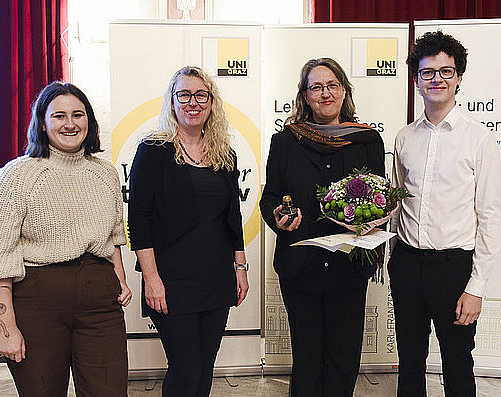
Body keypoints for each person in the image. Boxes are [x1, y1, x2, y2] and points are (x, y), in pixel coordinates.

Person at [0, 81, 132, 397]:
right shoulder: (16, 176)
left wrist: (120, 279)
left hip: (100, 305)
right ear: (42, 124)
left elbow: (113, 238)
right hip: (36, 306)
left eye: (78, 114)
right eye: (59, 116)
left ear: (89, 120)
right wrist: (7, 330)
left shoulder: (105, 173)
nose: (70, 123)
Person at [260, 58, 385, 396]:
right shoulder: (286, 141)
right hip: (301, 268)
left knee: (344, 360)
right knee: (307, 358)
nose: (325, 93)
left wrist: (374, 217)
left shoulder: (367, 141)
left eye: (332, 85)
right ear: (305, 95)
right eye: (316, 87)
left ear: (344, 90)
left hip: (349, 267)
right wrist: (280, 216)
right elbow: (270, 197)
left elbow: (382, 195)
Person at [389, 31, 501, 397]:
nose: (436, 79)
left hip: (454, 267)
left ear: (459, 78)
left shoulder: (479, 139)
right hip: (405, 263)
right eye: (427, 72)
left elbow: (490, 215)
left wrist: (477, 286)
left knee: (456, 361)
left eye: (445, 71)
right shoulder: (404, 137)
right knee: (409, 360)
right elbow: (397, 202)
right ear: (417, 81)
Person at [128, 66, 249, 397]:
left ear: (211, 103)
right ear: (172, 101)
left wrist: (240, 268)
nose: (192, 102)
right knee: (185, 367)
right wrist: (151, 279)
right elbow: (139, 219)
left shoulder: (225, 154)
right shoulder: (153, 151)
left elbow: (232, 217)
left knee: (205, 366)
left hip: (216, 277)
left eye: (201, 95)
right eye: (184, 94)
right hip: (171, 279)